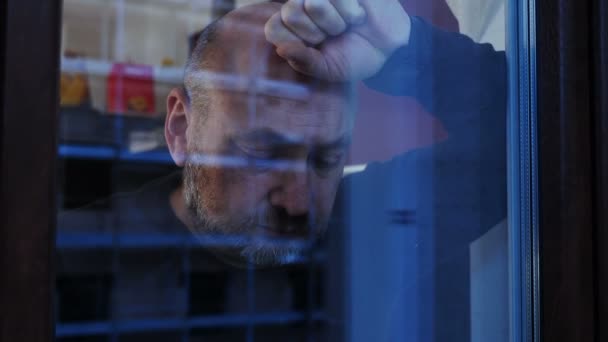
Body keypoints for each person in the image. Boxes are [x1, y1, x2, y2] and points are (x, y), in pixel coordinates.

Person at [58, 1, 508, 341]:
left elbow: (531, 138)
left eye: (326, 159)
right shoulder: (73, 262)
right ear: (180, 130)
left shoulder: (365, 228)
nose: (297, 201)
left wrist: (406, 50)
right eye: (260, 152)